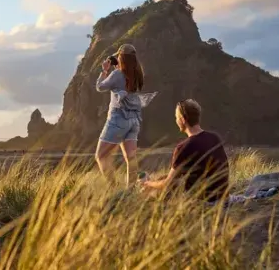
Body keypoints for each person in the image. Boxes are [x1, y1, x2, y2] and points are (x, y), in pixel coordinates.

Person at [143, 99, 229, 203]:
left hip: (203, 201)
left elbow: (167, 184)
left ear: (183, 120)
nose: (176, 120)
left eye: (176, 117)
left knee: (156, 191)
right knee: (167, 178)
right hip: (223, 198)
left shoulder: (184, 147)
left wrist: (148, 183)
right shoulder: (214, 137)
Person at [95, 43, 144, 187]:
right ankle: (131, 191)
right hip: (134, 119)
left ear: (121, 57)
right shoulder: (138, 74)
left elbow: (100, 87)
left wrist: (104, 71)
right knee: (131, 158)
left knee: (101, 155)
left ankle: (115, 189)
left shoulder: (117, 74)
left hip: (118, 119)